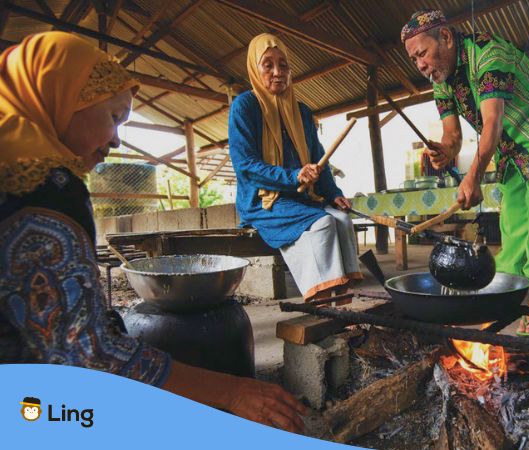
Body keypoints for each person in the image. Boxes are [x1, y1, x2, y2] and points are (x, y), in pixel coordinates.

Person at [0, 32, 307, 432]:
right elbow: (86, 354)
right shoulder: (45, 187)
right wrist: (233, 391)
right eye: (112, 116)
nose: (115, 139)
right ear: (62, 94)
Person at [401, 9, 529, 336]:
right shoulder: (441, 80)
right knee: (512, 218)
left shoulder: (489, 53)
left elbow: (492, 123)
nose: (421, 64)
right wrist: (444, 152)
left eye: (422, 53)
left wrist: (474, 177)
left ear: (446, 38)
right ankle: (507, 293)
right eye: (414, 60)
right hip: (509, 146)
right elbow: (452, 136)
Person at [228, 34, 362, 302]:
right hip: (263, 202)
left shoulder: (301, 111)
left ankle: (339, 296)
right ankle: (320, 299)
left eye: (283, 65)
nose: (278, 72)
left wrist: (333, 191)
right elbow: (246, 166)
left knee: (343, 220)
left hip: (301, 199)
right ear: (255, 68)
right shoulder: (244, 106)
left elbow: (318, 159)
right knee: (322, 223)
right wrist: (293, 176)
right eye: (268, 65)